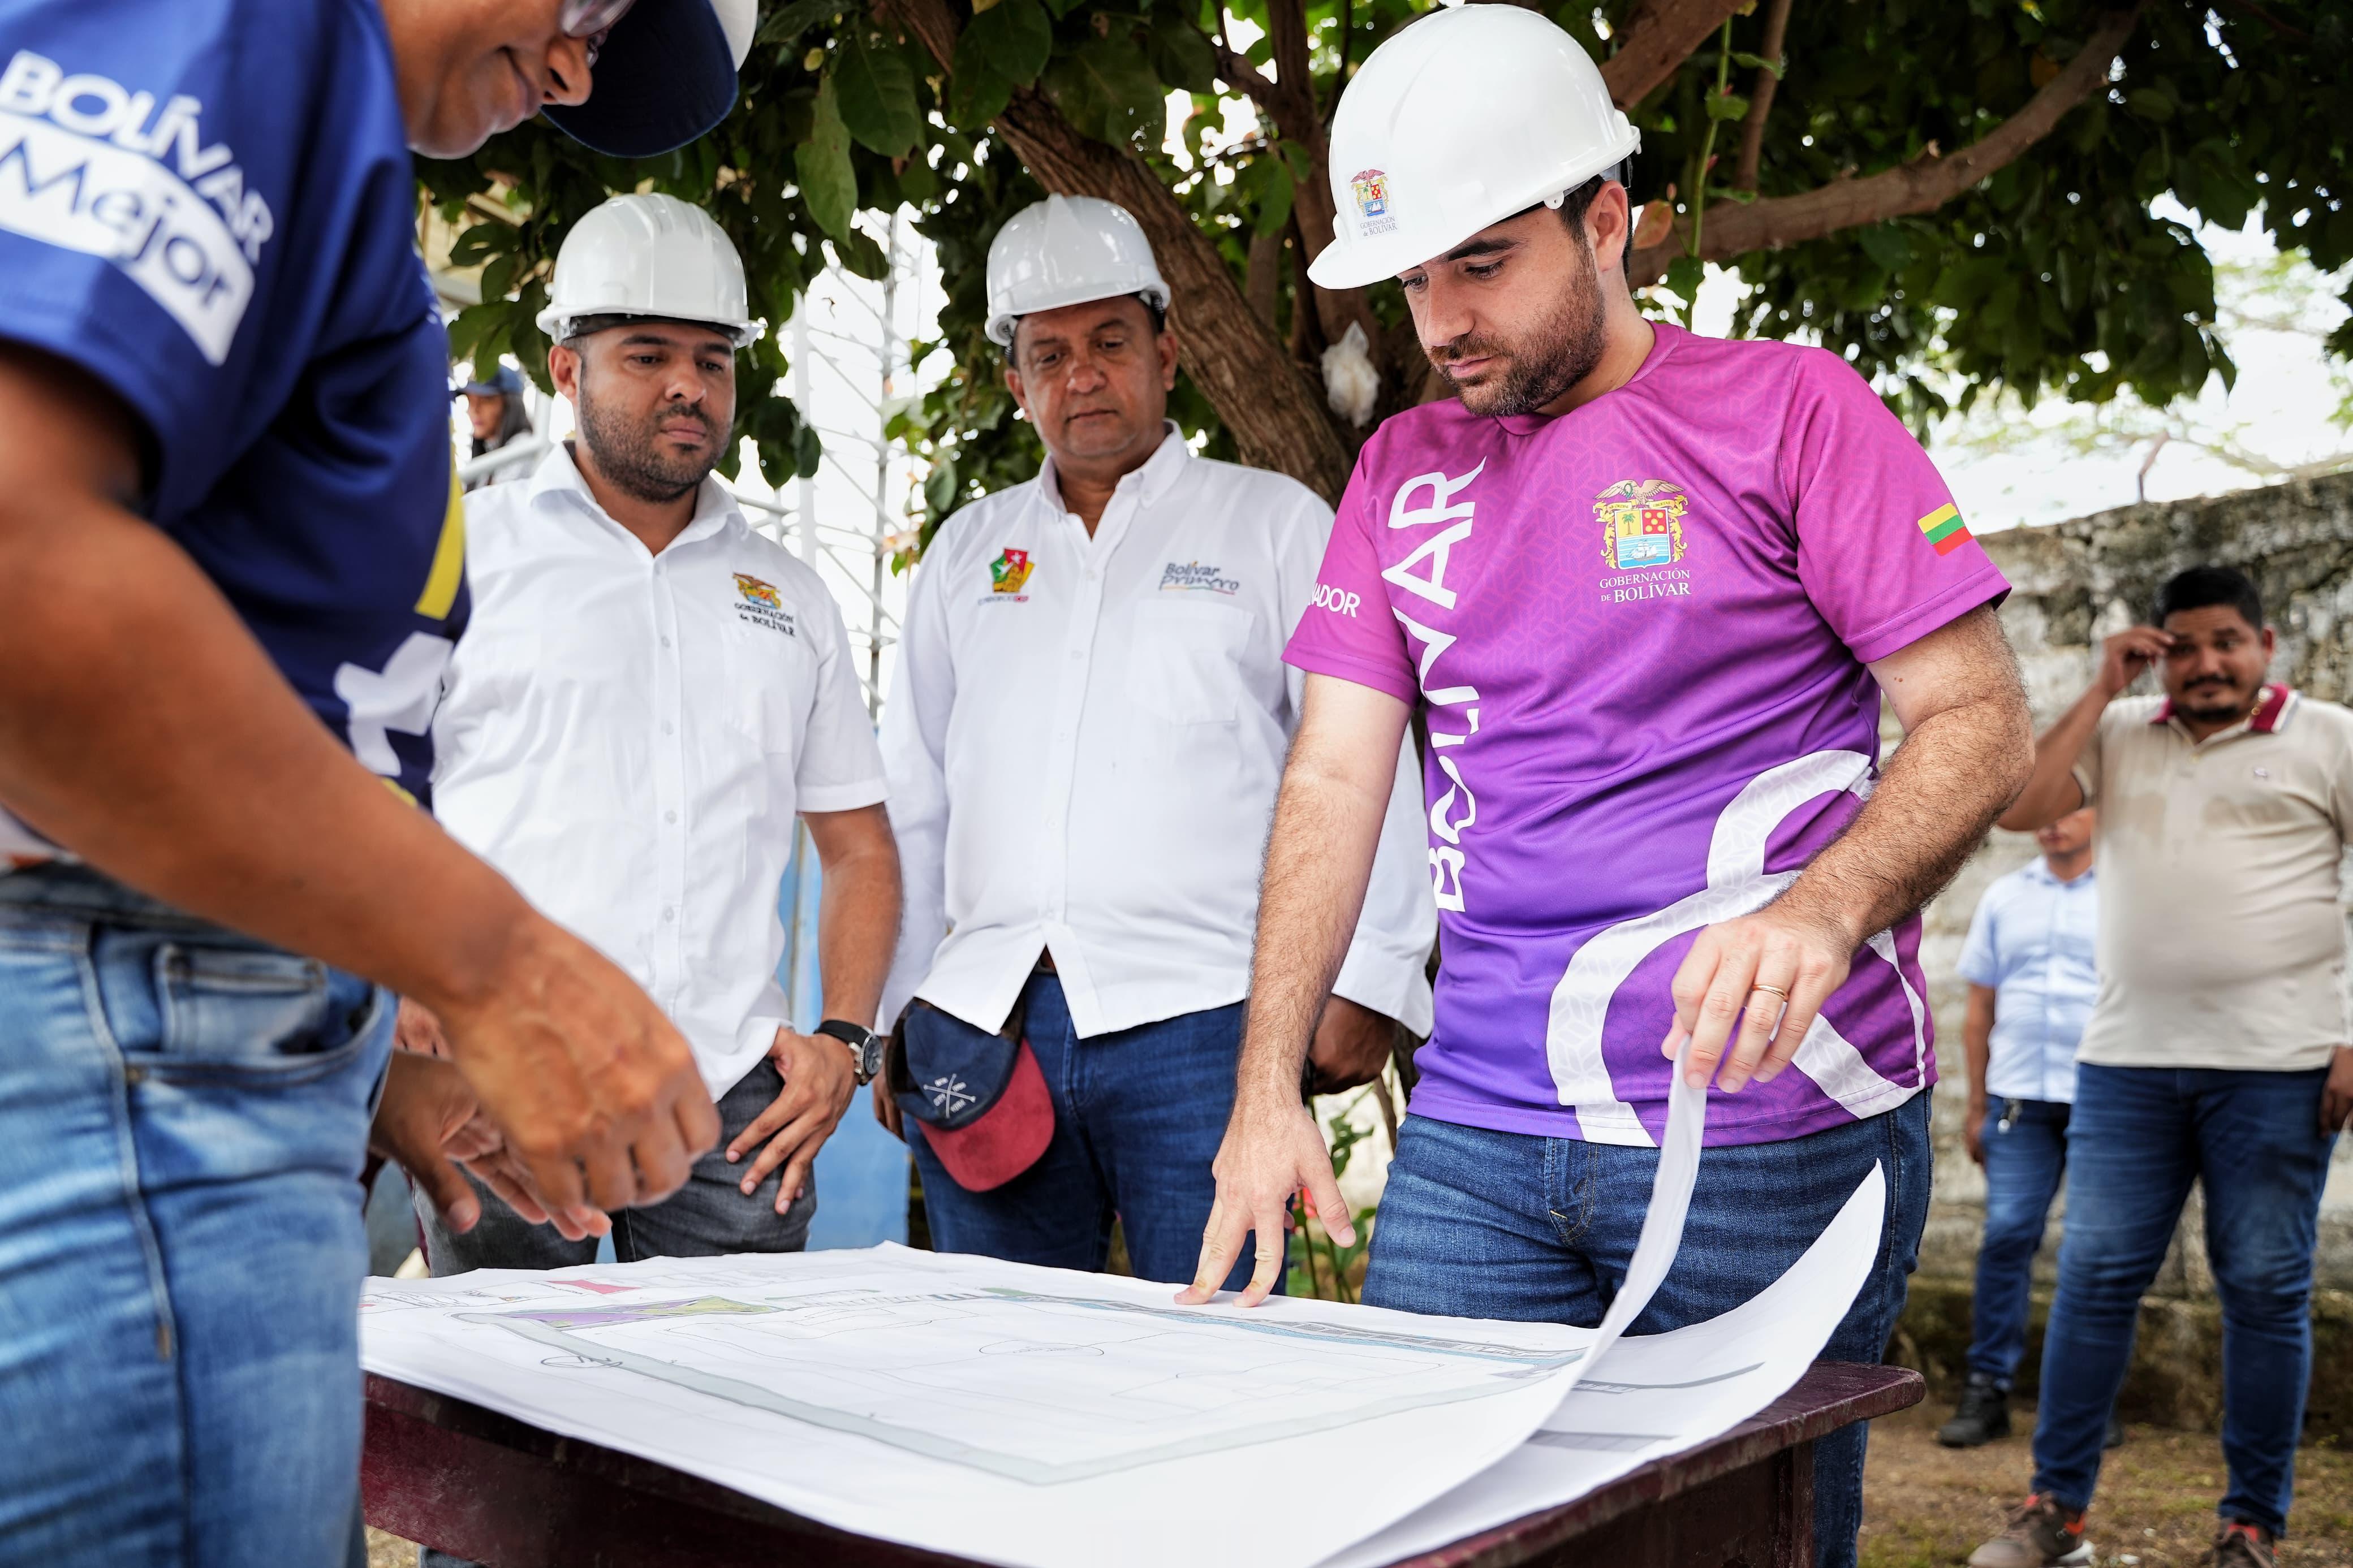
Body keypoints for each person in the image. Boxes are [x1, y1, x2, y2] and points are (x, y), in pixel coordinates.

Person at [1176, 10, 2035, 1567]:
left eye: (1482, 263)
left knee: (1735, 1546)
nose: (1443, 322)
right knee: (1419, 1531)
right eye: (1413, 281)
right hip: (1476, 1126)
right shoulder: (1398, 469)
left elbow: (1976, 715)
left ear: (1606, 220)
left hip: (1767, 1121)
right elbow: (1334, 774)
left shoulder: (1793, 410)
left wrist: (1823, 909)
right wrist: (1264, 1089)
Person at [0, 1, 756, 1563]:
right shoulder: (253, 29)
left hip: (195, 1052)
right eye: (591, 8)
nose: (572, 70)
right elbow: (23, 560)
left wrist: (371, 1060)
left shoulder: (326, 133)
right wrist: (493, 959)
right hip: (127, 1060)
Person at [876, 194, 1434, 1290]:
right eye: (1049, 354)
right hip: (991, 1024)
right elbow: (915, 794)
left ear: (1167, 353)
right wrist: (901, 1011)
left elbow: (1364, 756)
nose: (1082, 375)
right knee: (997, 1353)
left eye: (1110, 342)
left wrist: (1373, 976)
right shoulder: (965, 553)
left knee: (1219, 1350)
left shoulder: (1273, 524)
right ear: (1015, 382)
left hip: (1211, 1022)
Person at [410, 192, 901, 1284]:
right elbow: (368, 786)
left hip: (733, 1102)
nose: (689, 384)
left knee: (733, 1389)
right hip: (503, 1084)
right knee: (507, 1390)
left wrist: (845, 1039)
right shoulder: (462, 555)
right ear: (565, 368)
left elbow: (859, 845)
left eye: (713, 359)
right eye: (647, 355)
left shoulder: (789, 595)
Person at [1967, 565, 2353, 1568]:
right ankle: (2054, 1511)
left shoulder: (2331, 737)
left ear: (2267, 646)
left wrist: (2350, 1035)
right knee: (2094, 1279)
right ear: (2158, 652)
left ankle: (2250, 1525)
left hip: (2278, 1064)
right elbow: (2021, 807)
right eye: (2186, 646)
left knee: (2263, 1289)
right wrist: (2101, 687)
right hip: (2126, 1063)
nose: (2208, 663)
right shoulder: (2121, 730)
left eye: (2228, 641)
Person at [1936, 807, 2102, 1449]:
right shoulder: (2005, 896)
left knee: (2096, 1246)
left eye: (2071, 807)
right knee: (2007, 1234)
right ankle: (1988, 1389)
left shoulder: (2129, 895)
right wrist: (1975, 1105)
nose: (2053, 822)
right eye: (2044, 809)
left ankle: (2090, 1394)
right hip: (2017, 1102)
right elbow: (1980, 1008)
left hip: (2105, 1100)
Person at [456, 362, 536, 490]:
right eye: (470, 400)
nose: (475, 410)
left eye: (486, 400)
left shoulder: (523, 448)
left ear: (510, 404)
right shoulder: (488, 457)